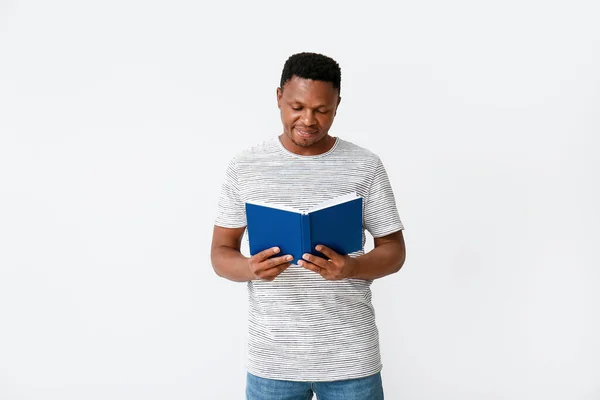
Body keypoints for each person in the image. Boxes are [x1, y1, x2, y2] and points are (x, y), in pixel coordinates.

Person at [211, 52, 406, 400]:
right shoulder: (245, 166)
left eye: (322, 110)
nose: (308, 120)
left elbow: (394, 251)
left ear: (337, 105)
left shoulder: (365, 165)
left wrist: (353, 267)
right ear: (278, 98)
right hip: (273, 363)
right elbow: (220, 254)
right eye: (297, 106)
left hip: (351, 360)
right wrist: (250, 268)